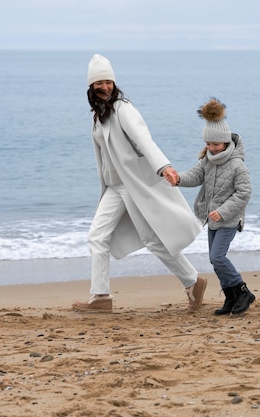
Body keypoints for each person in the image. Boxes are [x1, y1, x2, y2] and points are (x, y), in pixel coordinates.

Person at [72, 53, 207, 313]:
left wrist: (163, 166)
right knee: (97, 237)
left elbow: (144, 139)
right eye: (99, 83)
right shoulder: (98, 115)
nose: (104, 87)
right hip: (114, 187)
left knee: (153, 240)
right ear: (91, 86)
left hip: (132, 186)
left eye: (108, 82)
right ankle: (100, 297)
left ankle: (192, 281)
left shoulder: (123, 109)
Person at [174, 98, 254, 315]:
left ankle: (243, 291)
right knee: (215, 261)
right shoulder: (209, 160)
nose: (211, 148)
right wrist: (177, 178)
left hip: (229, 219)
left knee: (217, 257)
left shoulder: (237, 164)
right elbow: (194, 175)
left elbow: (244, 193)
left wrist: (223, 211)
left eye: (216, 145)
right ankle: (230, 298)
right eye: (208, 144)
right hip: (212, 218)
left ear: (226, 143)